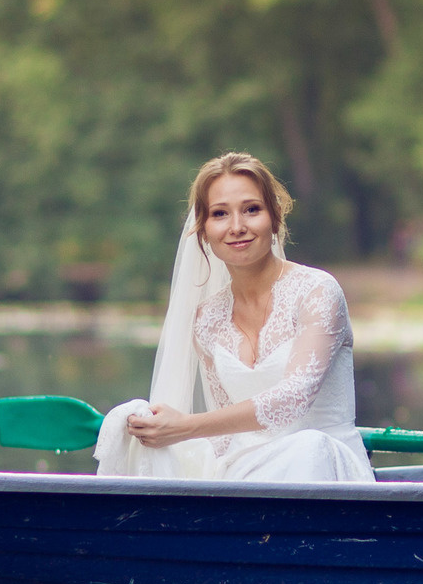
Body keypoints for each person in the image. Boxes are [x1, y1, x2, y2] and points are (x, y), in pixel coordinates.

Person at [93, 152, 376, 484]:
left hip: (326, 469)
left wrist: (184, 426)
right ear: (203, 230)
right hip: (247, 471)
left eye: (252, 209)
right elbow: (224, 439)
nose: (237, 227)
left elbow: (294, 399)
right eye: (220, 214)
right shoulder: (208, 320)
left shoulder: (317, 291)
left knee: (308, 446)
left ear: (275, 217)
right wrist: (155, 431)